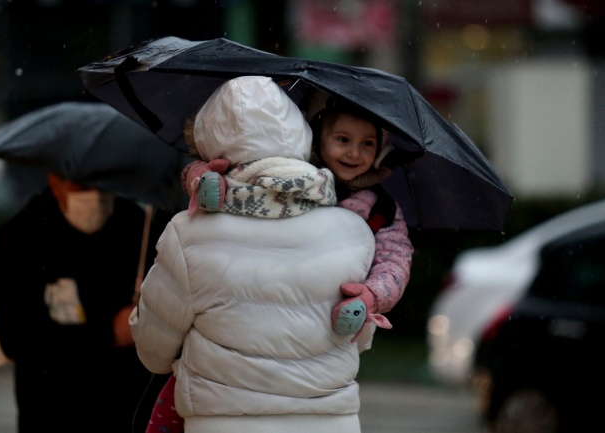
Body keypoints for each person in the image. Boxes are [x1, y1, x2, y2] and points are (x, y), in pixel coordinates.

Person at [141, 89, 415, 433]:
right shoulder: (352, 227)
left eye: (368, 145)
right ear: (313, 137)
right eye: (342, 139)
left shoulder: (375, 210)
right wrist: (198, 175)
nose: (354, 153)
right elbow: (356, 343)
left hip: (223, 417)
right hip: (330, 417)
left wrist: (371, 295)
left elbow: (154, 350)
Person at [0, 173, 161, 433]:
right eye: (83, 184)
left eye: (103, 182)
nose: (95, 194)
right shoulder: (21, 236)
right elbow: (16, 338)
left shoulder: (138, 227)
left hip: (124, 411)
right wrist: (109, 333)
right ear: (55, 181)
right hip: (51, 411)